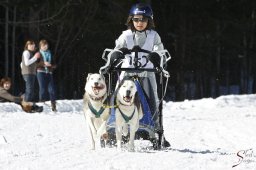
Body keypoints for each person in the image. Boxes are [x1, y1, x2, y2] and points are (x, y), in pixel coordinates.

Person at [109, 3, 170, 147]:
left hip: (147, 74)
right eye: (136, 19)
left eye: (143, 19)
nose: (139, 23)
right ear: (131, 20)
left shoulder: (154, 36)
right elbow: (116, 49)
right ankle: (115, 127)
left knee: (152, 101)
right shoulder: (126, 35)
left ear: (149, 20)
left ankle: (156, 130)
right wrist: (117, 54)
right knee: (119, 98)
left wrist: (157, 57)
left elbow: (160, 51)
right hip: (127, 73)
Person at [21, 40, 43, 113]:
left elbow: (22, 64)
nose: (32, 46)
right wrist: (35, 57)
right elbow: (26, 63)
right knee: (29, 90)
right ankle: (27, 107)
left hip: (30, 73)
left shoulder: (30, 53)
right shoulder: (26, 52)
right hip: (28, 73)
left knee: (30, 91)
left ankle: (30, 105)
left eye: (33, 45)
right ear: (27, 46)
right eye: (30, 45)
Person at [36, 39, 57, 111]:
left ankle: (53, 106)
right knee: (42, 89)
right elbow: (35, 64)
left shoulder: (50, 53)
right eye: (43, 45)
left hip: (49, 73)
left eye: (46, 45)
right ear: (40, 46)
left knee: (52, 89)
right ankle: (41, 105)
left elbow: (55, 64)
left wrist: (51, 65)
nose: (45, 47)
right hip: (40, 72)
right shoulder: (38, 54)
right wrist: (43, 63)